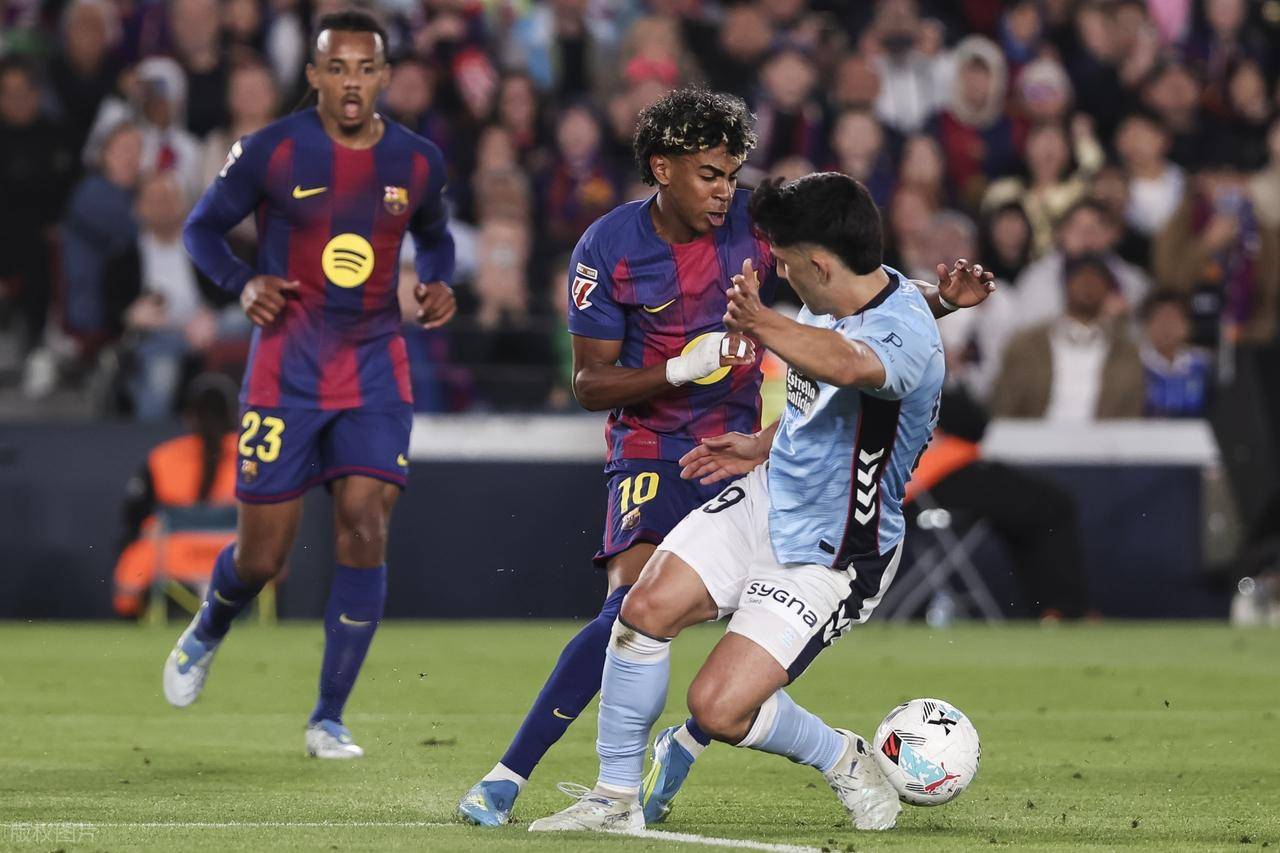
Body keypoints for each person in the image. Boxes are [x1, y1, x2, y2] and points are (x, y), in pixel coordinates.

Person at [457, 88, 990, 827]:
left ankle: (832, 753)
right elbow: (821, 376)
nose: (726, 194)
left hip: (835, 543)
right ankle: (606, 794)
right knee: (637, 609)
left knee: (719, 705)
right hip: (720, 468)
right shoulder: (620, 248)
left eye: (732, 176)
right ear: (662, 168)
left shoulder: (855, 320)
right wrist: (747, 425)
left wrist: (760, 322)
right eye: (711, 173)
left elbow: (855, 356)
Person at [161, 11, 458, 760]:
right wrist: (242, 281)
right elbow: (200, 228)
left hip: (374, 366)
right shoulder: (272, 150)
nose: (352, 82)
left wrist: (438, 281)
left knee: (365, 521)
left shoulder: (417, 160)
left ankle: (329, 716)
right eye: (338, 68)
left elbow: (435, 234)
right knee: (261, 559)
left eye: (366, 68)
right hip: (286, 369)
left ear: (384, 77)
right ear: (315, 75)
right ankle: (211, 622)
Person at [112, 375, 239, 617]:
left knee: (141, 542)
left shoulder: (164, 458)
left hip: (171, 560)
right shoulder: (252, 456)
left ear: (189, 416)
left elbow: (133, 517)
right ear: (234, 415)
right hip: (236, 560)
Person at [992, 254, 1143, 421]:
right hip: (1035, 433)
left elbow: (1131, 410)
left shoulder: (1125, 351)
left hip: (1103, 435)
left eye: (1095, 280)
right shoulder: (1027, 345)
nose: (1087, 286)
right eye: (1081, 278)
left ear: (1107, 290)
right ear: (1065, 284)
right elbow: (1004, 403)